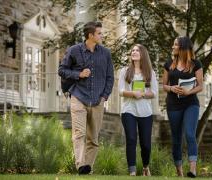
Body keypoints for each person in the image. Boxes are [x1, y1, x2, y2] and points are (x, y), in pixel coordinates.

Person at [58, 21, 114, 175]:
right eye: (99, 33)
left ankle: (86, 169)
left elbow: (110, 77)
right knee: (79, 133)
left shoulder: (106, 53)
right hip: (78, 96)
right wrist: (79, 74)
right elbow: (61, 70)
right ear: (91, 35)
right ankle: (81, 164)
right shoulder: (74, 51)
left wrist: (104, 96)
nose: (102, 35)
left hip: (98, 100)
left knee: (93, 138)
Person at [162, 36, 203, 178]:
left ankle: (192, 169)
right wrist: (171, 88)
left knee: (190, 134)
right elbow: (164, 86)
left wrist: (188, 91)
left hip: (191, 103)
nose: (172, 47)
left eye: (175, 45)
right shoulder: (169, 64)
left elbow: (200, 86)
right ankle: (179, 171)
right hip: (173, 106)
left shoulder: (195, 64)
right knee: (176, 138)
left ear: (183, 48)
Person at [118, 44, 158, 176]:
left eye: (137, 50)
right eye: (133, 50)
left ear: (143, 54)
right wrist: (133, 94)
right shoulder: (124, 71)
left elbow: (154, 92)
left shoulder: (150, 73)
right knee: (131, 139)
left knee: (145, 143)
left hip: (145, 112)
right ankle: (132, 171)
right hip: (128, 110)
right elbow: (121, 91)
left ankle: (146, 167)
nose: (134, 52)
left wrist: (143, 94)